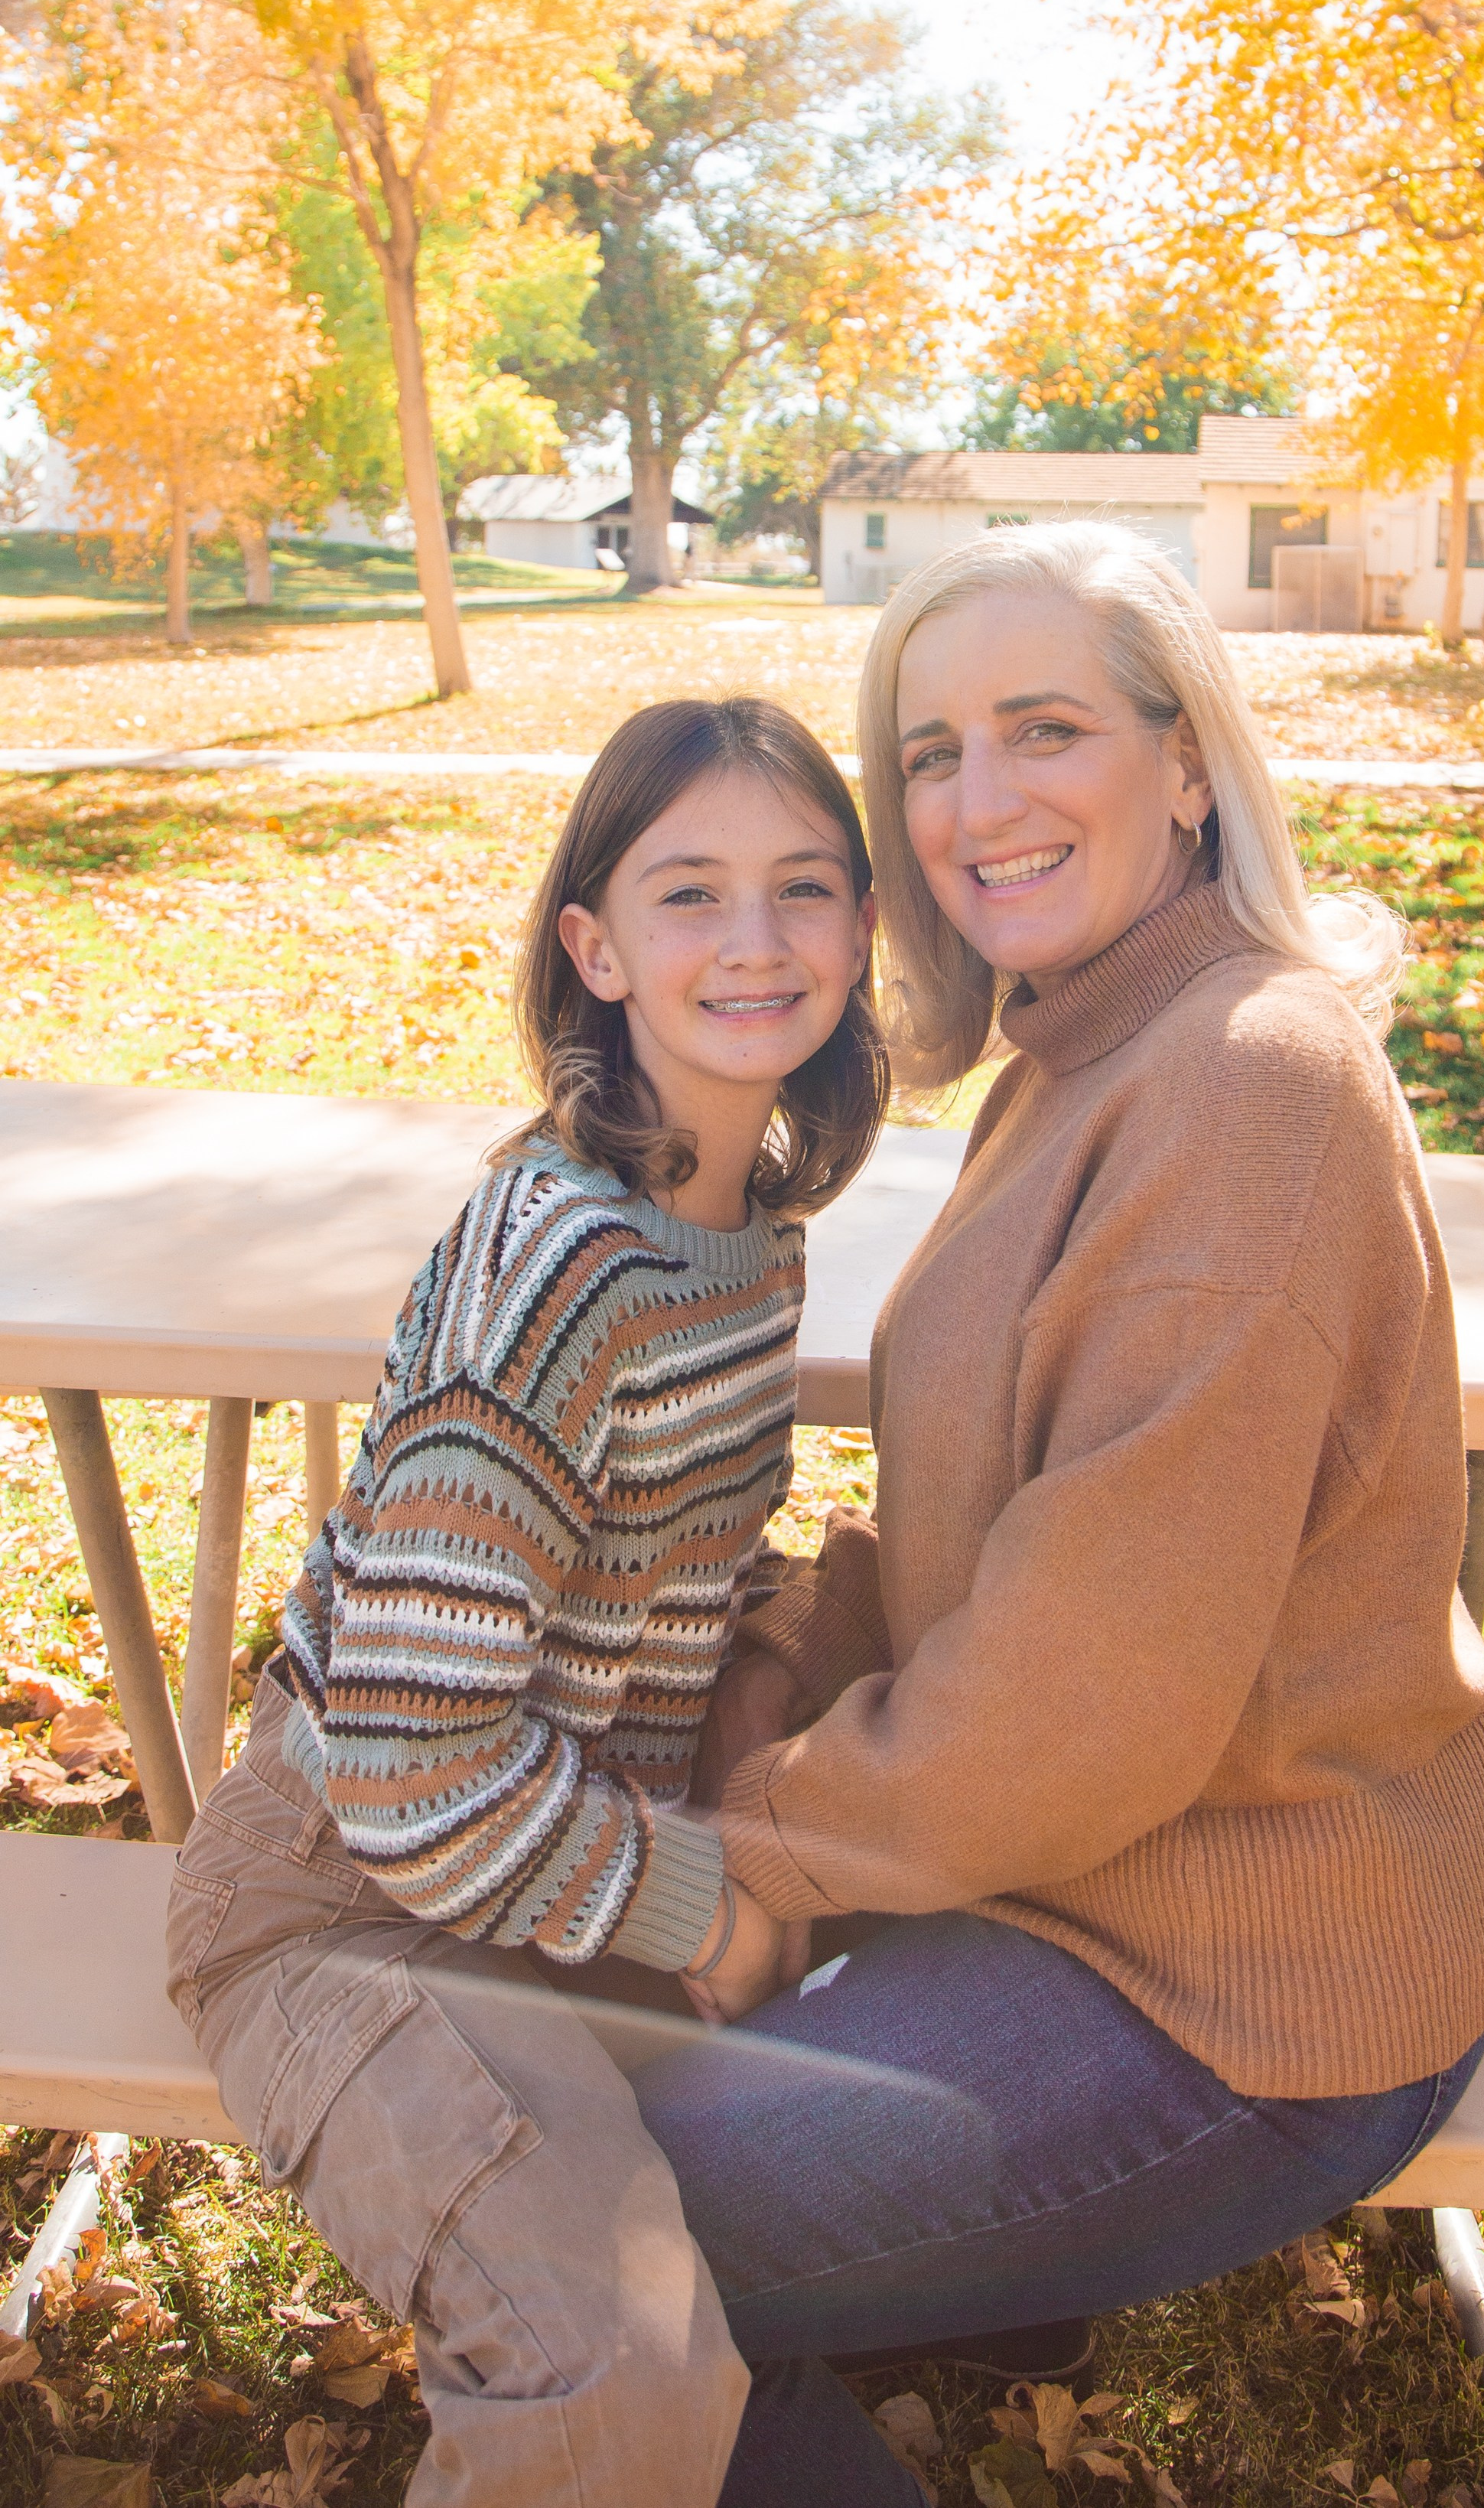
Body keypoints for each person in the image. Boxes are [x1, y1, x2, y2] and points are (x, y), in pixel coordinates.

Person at [631, 523, 1484, 2506]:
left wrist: (749, 1851)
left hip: (1250, 1991)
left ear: (1186, 761)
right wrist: (747, 1697)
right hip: (1074, 1877)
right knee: (549, 2065)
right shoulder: (1091, 1043)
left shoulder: (1244, 1088)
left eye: (1043, 730)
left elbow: (1079, 1704)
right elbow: (1000, 1529)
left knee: (581, 2231)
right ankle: (979, 2291)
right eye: (929, 752)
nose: (978, 802)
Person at [164, 695, 888, 2508]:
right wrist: (704, 1909)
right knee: (606, 2372)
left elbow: (680, 1570)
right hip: (351, 1897)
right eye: (688, 892)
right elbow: (407, 1765)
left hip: (541, 1874)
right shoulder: (562, 1267)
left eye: (803, 887)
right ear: (594, 948)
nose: (752, 939)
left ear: (864, 928)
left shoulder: (743, 1233)